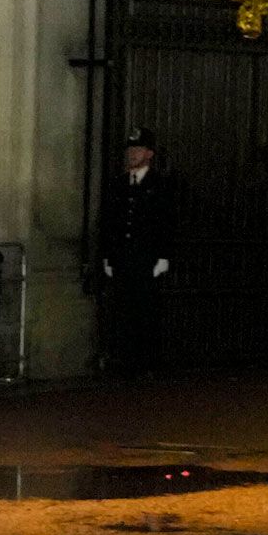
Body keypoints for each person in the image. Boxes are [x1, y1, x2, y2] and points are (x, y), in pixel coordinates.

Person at [99, 129, 175, 376]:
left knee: (147, 310)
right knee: (123, 309)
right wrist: (108, 255)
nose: (133, 154)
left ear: (149, 153)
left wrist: (163, 256)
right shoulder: (118, 183)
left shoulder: (159, 184)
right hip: (123, 258)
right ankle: (124, 360)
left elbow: (166, 222)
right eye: (130, 150)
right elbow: (109, 222)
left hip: (147, 259)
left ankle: (148, 361)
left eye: (138, 150)